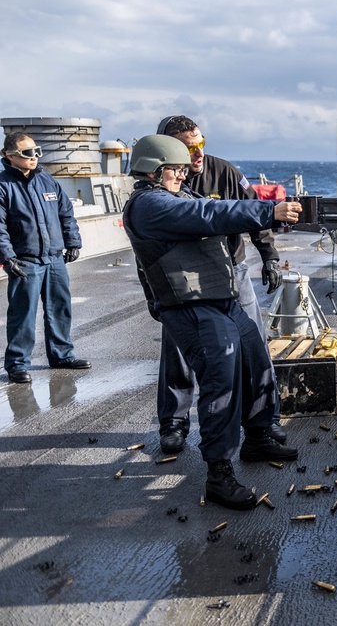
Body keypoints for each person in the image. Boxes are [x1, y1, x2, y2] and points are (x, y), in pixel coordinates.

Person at [123, 134, 300, 510]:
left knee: (254, 363)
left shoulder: (177, 196)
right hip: (191, 307)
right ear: (154, 169)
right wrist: (269, 210)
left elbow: (218, 207)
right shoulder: (148, 205)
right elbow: (207, 215)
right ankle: (220, 473)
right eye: (176, 169)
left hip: (222, 298)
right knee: (221, 381)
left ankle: (256, 436)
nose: (181, 176)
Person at [153, 115, 285, 454]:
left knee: (254, 341)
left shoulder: (224, 172)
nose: (198, 154)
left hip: (232, 269)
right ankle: (174, 422)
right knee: (178, 350)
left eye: (201, 144)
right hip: (186, 278)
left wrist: (269, 256)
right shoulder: (161, 187)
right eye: (189, 147)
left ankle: (263, 421)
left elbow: (250, 207)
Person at [0, 132, 90, 384]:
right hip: (25, 261)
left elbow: (66, 214)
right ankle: (17, 364)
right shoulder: (3, 186)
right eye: (27, 153)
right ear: (9, 156)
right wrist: (7, 257)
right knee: (23, 314)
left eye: (37, 151)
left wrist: (72, 242)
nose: (35, 157)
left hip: (54, 259)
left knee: (60, 309)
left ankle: (62, 355)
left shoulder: (48, 181)